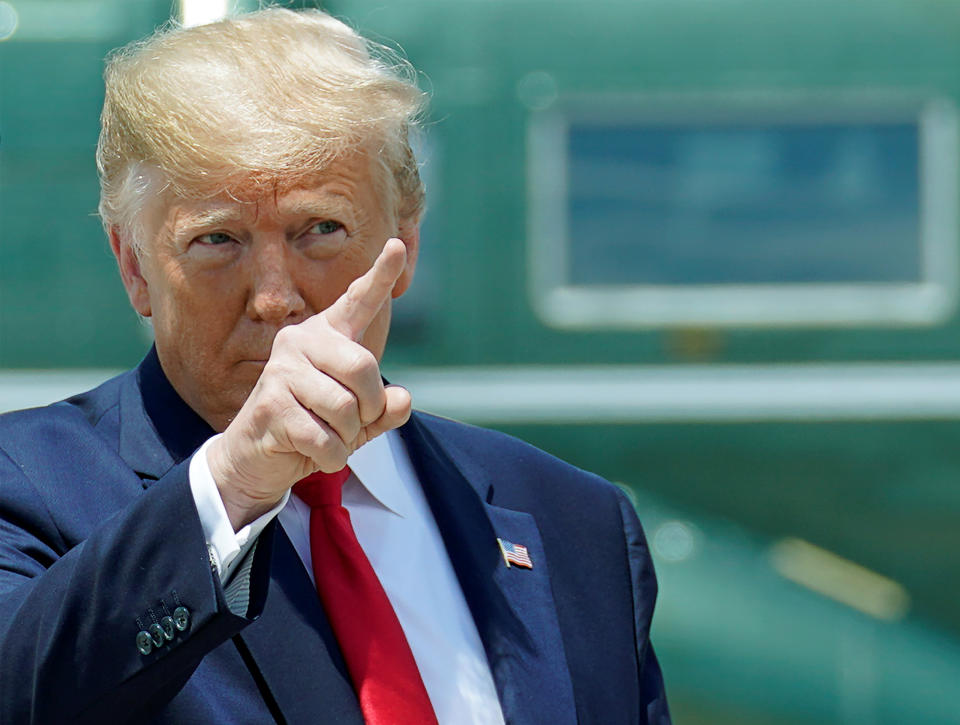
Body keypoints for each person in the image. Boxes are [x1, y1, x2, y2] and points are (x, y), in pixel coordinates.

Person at [0, 8, 670, 724]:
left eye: (321, 230)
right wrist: (234, 484)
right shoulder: (31, 486)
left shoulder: (575, 523)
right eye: (218, 239)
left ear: (405, 241)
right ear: (134, 267)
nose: (276, 298)